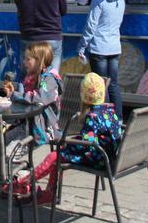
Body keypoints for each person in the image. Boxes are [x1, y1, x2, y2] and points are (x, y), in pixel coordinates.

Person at [9, 72, 123, 204]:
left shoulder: (92, 118)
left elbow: (85, 145)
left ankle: (22, 182)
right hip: (107, 157)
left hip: (96, 159)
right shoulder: (110, 112)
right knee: (59, 155)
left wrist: (69, 144)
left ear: (84, 96)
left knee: (53, 157)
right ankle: (49, 193)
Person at [78, 0, 126, 119]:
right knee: (113, 85)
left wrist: (82, 46)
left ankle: (103, 120)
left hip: (99, 48)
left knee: (100, 87)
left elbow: (90, 26)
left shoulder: (99, 0)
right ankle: (118, 119)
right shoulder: (122, 0)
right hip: (114, 47)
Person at [3, 41, 62, 146]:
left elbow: (38, 97)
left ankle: (6, 160)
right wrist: (13, 93)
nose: (24, 63)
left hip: (42, 129)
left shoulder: (49, 79)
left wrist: (14, 95)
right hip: (30, 123)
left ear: (39, 61)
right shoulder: (35, 76)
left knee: (1, 142)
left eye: (28, 59)